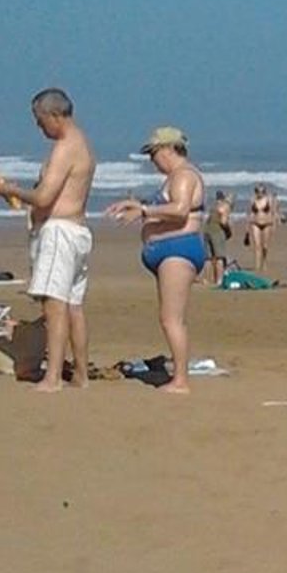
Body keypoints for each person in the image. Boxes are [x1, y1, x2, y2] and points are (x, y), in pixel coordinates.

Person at [0, 89, 97, 390]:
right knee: (73, 305)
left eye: (40, 120)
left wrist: (9, 190)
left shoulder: (65, 147)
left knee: (55, 306)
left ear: (54, 115)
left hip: (60, 232)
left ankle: (53, 377)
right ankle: (80, 373)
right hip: (76, 231)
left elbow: (43, 197)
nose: (39, 127)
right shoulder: (82, 143)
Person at [107, 128, 207, 393]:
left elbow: (180, 210)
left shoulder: (184, 175)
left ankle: (181, 380)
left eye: (153, 154)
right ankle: (179, 376)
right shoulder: (174, 177)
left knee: (171, 319)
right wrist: (137, 205)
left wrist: (143, 210)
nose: (152, 160)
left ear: (168, 149)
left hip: (178, 250)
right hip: (167, 251)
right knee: (169, 318)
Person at [204, 188, 236, 283]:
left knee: (208, 258)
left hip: (207, 230)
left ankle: (206, 279)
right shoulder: (226, 206)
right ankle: (219, 279)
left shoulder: (213, 206)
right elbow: (223, 222)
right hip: (217, 231)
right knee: (220, 257)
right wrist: (228, 231)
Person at [245, 182, 277, 272]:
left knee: (265, 246)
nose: (260, 193)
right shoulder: (252, 200)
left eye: (262, 191)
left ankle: (264, 261)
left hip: (267, 223)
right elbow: (249, 214)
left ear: (265, 192)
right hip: (255, 223)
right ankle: (257, 264)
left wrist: (274, 224)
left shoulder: (269, 199)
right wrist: (247, 228)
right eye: (258, 191)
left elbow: (273, 212)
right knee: (257, 245)